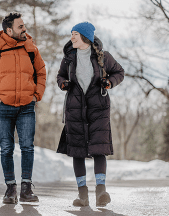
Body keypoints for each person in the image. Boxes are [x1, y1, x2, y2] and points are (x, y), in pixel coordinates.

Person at [0, 12, 46, 204]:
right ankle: (10, 188)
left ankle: (26, 189)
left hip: (26, 107)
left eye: (24, 25)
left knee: (28, 147)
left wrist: (36, 95)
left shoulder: (31, 49)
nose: (25, 29)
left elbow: (41, 71)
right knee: (6, 148)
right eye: (20, 26)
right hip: (3, 107)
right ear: (9, 30)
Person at [56, 22, 124, 207]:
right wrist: (63, 84)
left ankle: (101, 191)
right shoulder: (69, 58)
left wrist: (109, 82)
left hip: (98, 109)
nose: (72, 38)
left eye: (75, 34)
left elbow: (119, 72)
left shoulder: (103, 57)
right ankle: (82, 195)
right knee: (77, 152)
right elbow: (60, 76)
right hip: (75, 109)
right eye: (71, 34)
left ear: (85, 36)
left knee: (99, 150)